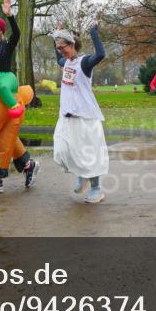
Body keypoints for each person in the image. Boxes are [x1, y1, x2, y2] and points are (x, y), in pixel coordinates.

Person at [51, 23, 109, 204]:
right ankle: (82, 176)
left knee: (89, 155)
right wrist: (57, 34)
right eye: (58, 48)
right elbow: (57, 59)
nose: (61, 51)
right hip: (66, 118)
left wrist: (93, 33)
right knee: (63, 151)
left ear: (73, 44)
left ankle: (95, 189)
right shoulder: (65, 62)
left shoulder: (84, 63)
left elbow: (100, 54)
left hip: (85, 119)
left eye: (63, 48)